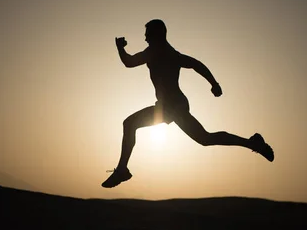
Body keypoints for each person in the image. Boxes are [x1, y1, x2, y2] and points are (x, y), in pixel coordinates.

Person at [102, 19, 274, 188]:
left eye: (147, 35)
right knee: (205, 138)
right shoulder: (170, 53)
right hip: (172, 106)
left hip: (171, 107)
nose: (145, 38)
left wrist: (120, 48)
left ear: (156, 35)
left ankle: (122, 170)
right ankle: (253, 143)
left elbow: (129, 62)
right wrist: (214, 84)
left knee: (130, 124)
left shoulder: (156, 51)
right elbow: (195, 64)